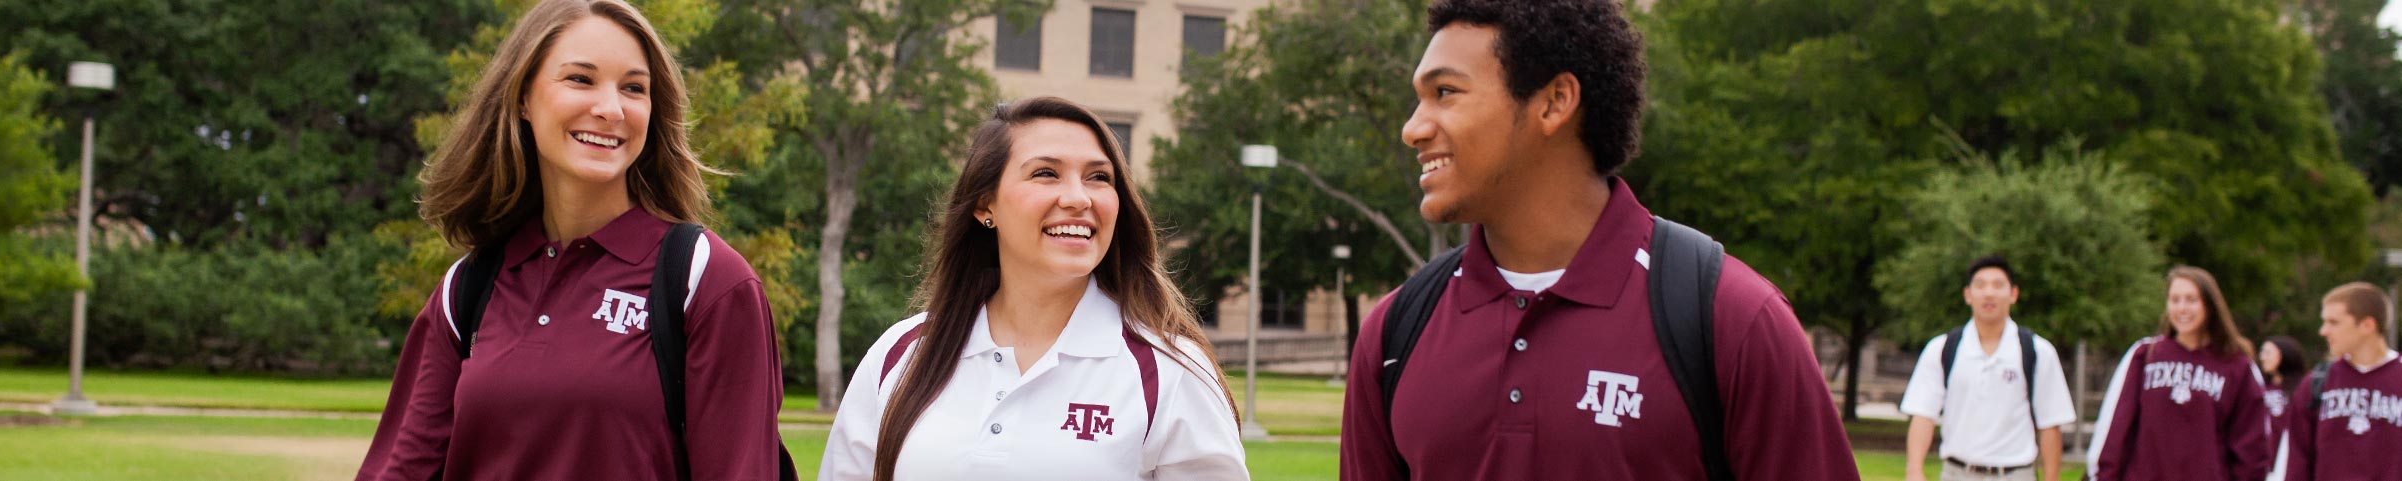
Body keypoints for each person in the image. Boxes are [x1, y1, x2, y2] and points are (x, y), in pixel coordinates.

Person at [1336, 0, 1858, 479]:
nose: (1413, 128)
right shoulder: (1395, 333)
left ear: (1554, 101)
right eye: (1419, 99)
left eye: (1444, 92)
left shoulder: (1732, 320)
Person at [355, 1, 786, 479]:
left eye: (634, 88)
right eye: (580, 79)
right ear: (522, 97)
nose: (610, 109)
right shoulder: (468, 288)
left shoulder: (705, 281)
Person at [816, 97, 1248, 481]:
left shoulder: (1170, 371)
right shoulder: (901, 354)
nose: (1079, 198)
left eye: (1099, 177)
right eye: (1046, 173)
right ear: (986, 205)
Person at [1899, 256, 2077, 481]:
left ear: (2013, 294)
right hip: (1957, 474)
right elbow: (1923, 414)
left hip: (2015, 474)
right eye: (1980, 285)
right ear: (1967, 294)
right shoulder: (1942, 349)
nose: (1989, 293)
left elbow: (2050, 424)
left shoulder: (2037, 351)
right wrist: (1914, 470)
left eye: (1998, 285)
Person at [2087, 266, 2270, 481]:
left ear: (2210, 305)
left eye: (2191, 300)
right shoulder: (2145, 355)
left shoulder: (2237, 367)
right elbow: (2117, 431)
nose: (2182, 308)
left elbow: (2251, 448)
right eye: (2175, 300)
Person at [2280, 282, 2402, 480]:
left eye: (2333, 322)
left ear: (2367, 325)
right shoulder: (2317, 382)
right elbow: (2296, 462)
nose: (2323, 331)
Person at [2258, 334, 2308, 480]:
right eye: (2262, 352)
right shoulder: (2260, 387)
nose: (2263, 357)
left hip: (2287, 463)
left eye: (2268, 352)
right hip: (2264, 463)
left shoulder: (2301, 388)